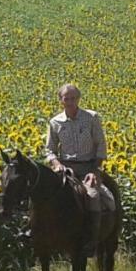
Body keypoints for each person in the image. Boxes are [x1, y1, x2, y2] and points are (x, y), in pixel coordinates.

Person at [45, 83, 114, 254]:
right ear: (61, 100)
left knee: (93, 195)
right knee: (43, 196)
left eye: (73, 98)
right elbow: (49, 149)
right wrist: (57, 165)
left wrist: (95, 170)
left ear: (79, 99)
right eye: (66, 98)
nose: (70, 102)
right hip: (65, 170)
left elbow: (100, 145)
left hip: (88, 168)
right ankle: (41, 237)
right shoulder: (55, 122)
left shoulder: (91, 118)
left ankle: (92, 239)